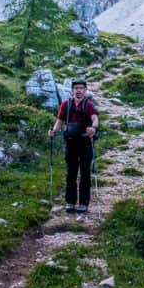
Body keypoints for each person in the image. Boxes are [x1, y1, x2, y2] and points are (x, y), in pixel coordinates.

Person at [48, 78, 99, 213]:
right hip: (71, 143)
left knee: (85, 173)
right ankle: (70, 202)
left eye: (81, 88)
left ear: (85, 90)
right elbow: (60, 121)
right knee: (71, 173)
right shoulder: (66, 104)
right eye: (76, 88)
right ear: (72, 90)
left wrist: (93, 128)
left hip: (85, 143)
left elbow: (95, 118)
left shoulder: (89, 105)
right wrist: (54, 131)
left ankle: (83, 203)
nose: (79, 90)